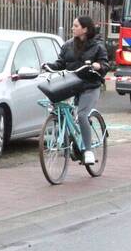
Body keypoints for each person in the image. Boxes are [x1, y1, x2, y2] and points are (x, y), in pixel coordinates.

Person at [44, 15, 109, 166]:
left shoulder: (97, 46)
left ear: (85, 29)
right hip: (72, 84)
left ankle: (88, 151)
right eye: (73, 25)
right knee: (59, 108)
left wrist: (98, 66)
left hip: (90, 85)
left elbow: (105, 65)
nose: (72, 28)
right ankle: (69, 139)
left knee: (82, 115)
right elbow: (61, 63)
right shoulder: (67, 45)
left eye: (76, 26)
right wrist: (48, 66)